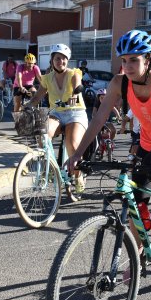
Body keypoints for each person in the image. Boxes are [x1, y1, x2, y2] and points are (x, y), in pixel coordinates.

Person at [68, 29, 151, 251]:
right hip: (147, 144)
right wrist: (78, 154)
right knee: (135, 201)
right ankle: (139, 256)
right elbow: (98, 119)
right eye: (124, 60)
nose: (127, 66)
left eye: (134, 60)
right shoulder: (119, 82)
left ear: (148, 59)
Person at [26, 43, 88, 193]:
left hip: (75, 113)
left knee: (72, 145)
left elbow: (77, 85)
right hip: (57, 113)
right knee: (43, 135)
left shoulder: (74, 73)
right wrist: (28, 106)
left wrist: (74, 94)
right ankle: (48, 170)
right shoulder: (47, 78)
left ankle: (78, 176)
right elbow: (37, 97)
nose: (61, 62)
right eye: (58, 58)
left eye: (64, 59)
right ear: (52, 60)